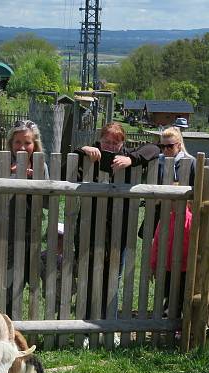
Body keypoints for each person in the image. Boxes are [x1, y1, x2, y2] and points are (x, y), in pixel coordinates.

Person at [73, 122, 160, 320]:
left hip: (119, 232)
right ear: (99, 140)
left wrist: (131, 159)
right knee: (88, 278)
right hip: (90, 229)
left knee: (113, 279)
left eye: (115, 142)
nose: (111, 146)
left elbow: (154, 148)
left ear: (123, 144)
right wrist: (82, 150)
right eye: (107, 141)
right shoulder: (89, 156)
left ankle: (107, 322)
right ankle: (86, 324)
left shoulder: (127, 157)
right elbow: (63, 170)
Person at [0, 119, 48, 315]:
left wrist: (31, 183)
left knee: (19, 287)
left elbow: (47, 204)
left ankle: (14, 328)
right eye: (17, 142)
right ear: (10, 143)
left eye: (27, 143)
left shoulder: (40, 167)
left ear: (35, 144)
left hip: (27, 237)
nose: (22, 147)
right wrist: (10, 178)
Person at [151, 126, 197, 320]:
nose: (165, 150)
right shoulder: (158, 162)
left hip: (184, 217)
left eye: (169, 146)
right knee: (162, 260)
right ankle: (165, 306)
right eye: (162, 146)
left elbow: (195, 193)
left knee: (180, 263)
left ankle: (175, 309)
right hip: (161, 216)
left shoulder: (191, 163)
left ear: (179, 145)